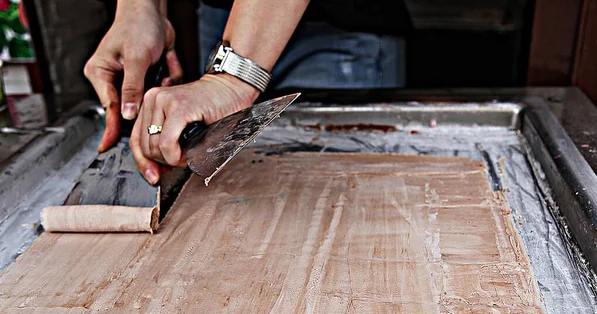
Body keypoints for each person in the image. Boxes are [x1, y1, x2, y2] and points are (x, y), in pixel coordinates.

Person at [84, 0, 412, 184]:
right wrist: (141, 10)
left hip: (338, 27)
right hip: (224, 17)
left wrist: (230, 79)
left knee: (333, 194)